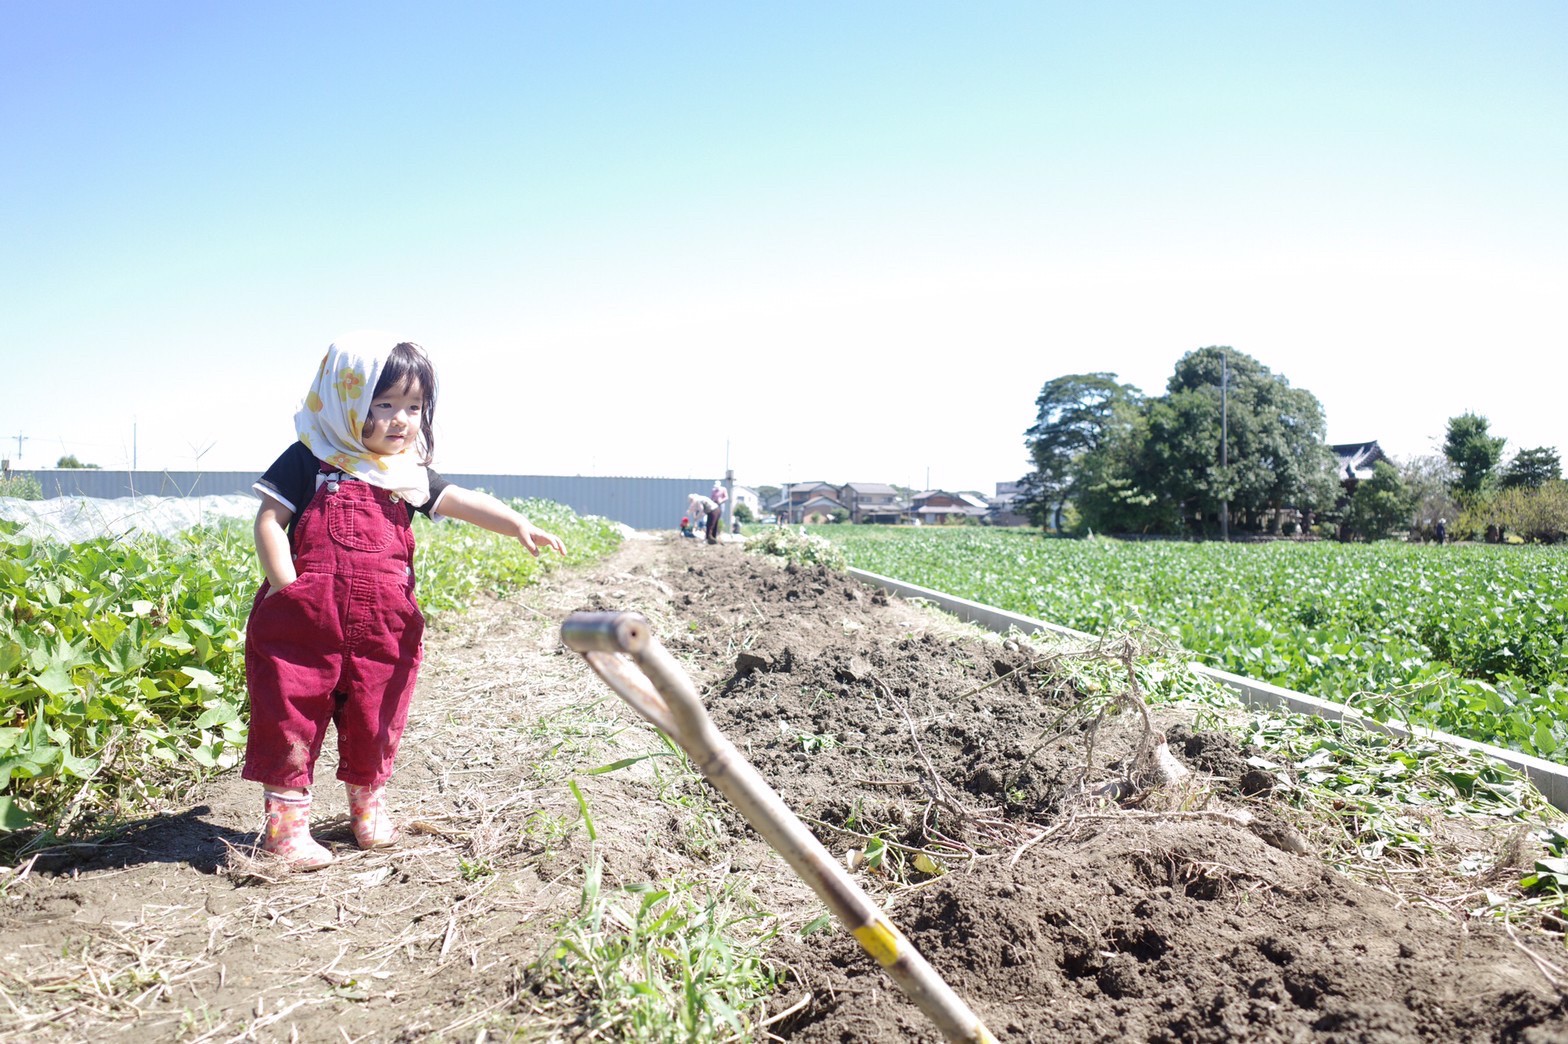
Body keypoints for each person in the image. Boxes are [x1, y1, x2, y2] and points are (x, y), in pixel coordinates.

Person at [244, 333, 566, 869]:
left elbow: (461, 500)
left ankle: (367, 810)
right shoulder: (311, 458)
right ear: (346, 402)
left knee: (378, 711)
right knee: (291, 712)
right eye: (384, 404)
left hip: (384, 622)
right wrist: (286, 585)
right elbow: (270, 522)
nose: (401, 419)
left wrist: (517, 525)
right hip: (305, 615)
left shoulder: (406, 476)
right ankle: (286, 828)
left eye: (414, 407)